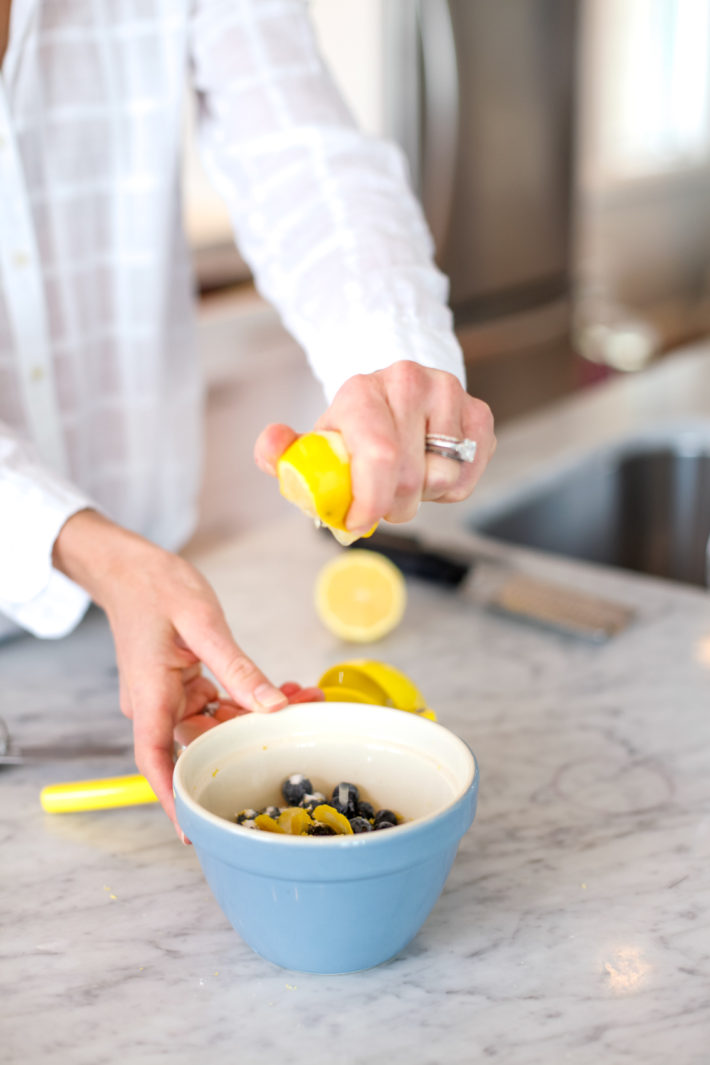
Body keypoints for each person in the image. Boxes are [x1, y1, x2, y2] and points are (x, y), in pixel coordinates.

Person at [0, 0, 495, 837]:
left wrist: (388, 357)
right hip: (123, 576)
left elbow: (303, 155)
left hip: (139, 607)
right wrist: (83, 545)